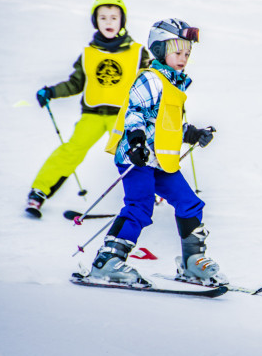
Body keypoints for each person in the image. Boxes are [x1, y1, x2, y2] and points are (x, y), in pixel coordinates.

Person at [85, 18, 225, 287]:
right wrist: (136, 142)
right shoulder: (150, 78)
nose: (183, 58)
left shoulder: (175, 83)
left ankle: (193, 262)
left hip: (160, 160)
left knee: (190, 203)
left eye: (187, 53)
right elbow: (135, 113)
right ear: (160, 51)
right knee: (140, 206)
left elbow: (168, 124)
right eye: (177, 51)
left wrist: (193, 134)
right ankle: (108, 261)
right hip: (136, 158)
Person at [26, 0, 151, 218]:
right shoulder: (89, 54)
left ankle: (151, 193)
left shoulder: (138, 53)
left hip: (124, 116)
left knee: (135, 150)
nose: (109, 22)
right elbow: (75, 83)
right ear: (96, 22)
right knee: (71, 150)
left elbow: (151, 82)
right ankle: (39, 192)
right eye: (103, 18)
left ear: (122, 21)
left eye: (114, 17)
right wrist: (52, 92)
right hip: (93, 114)